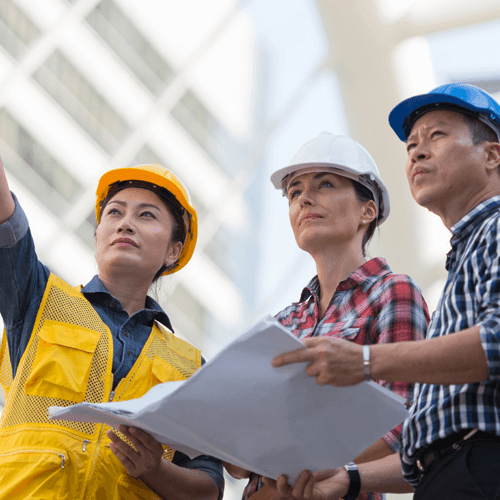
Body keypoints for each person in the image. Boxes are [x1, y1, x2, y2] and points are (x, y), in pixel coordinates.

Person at [269, 84, 500, 500]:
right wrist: (348, 478)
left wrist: (364, 361)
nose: (417, 152)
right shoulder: (465, 258)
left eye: (437, 136)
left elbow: (496, 344)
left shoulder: (489, 234)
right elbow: (422, 439)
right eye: (412, 144)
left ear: (491, 155)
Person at [0, 162, 224, 499]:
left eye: (146, 215)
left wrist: (154, 469)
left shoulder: (190, 368)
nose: (125, 224)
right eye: (114, 213)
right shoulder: (38, 299)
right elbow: (7, 225)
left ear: (173, 251)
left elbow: (208, 488)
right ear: (97, 235)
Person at [225, 133, 429, 500]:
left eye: (325, 184)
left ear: (368, 210)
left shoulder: (392, 293)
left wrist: (314, 474)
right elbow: (239, 457)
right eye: (294, 193)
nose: (304, 198)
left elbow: (404, 420)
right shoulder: (281, 323)